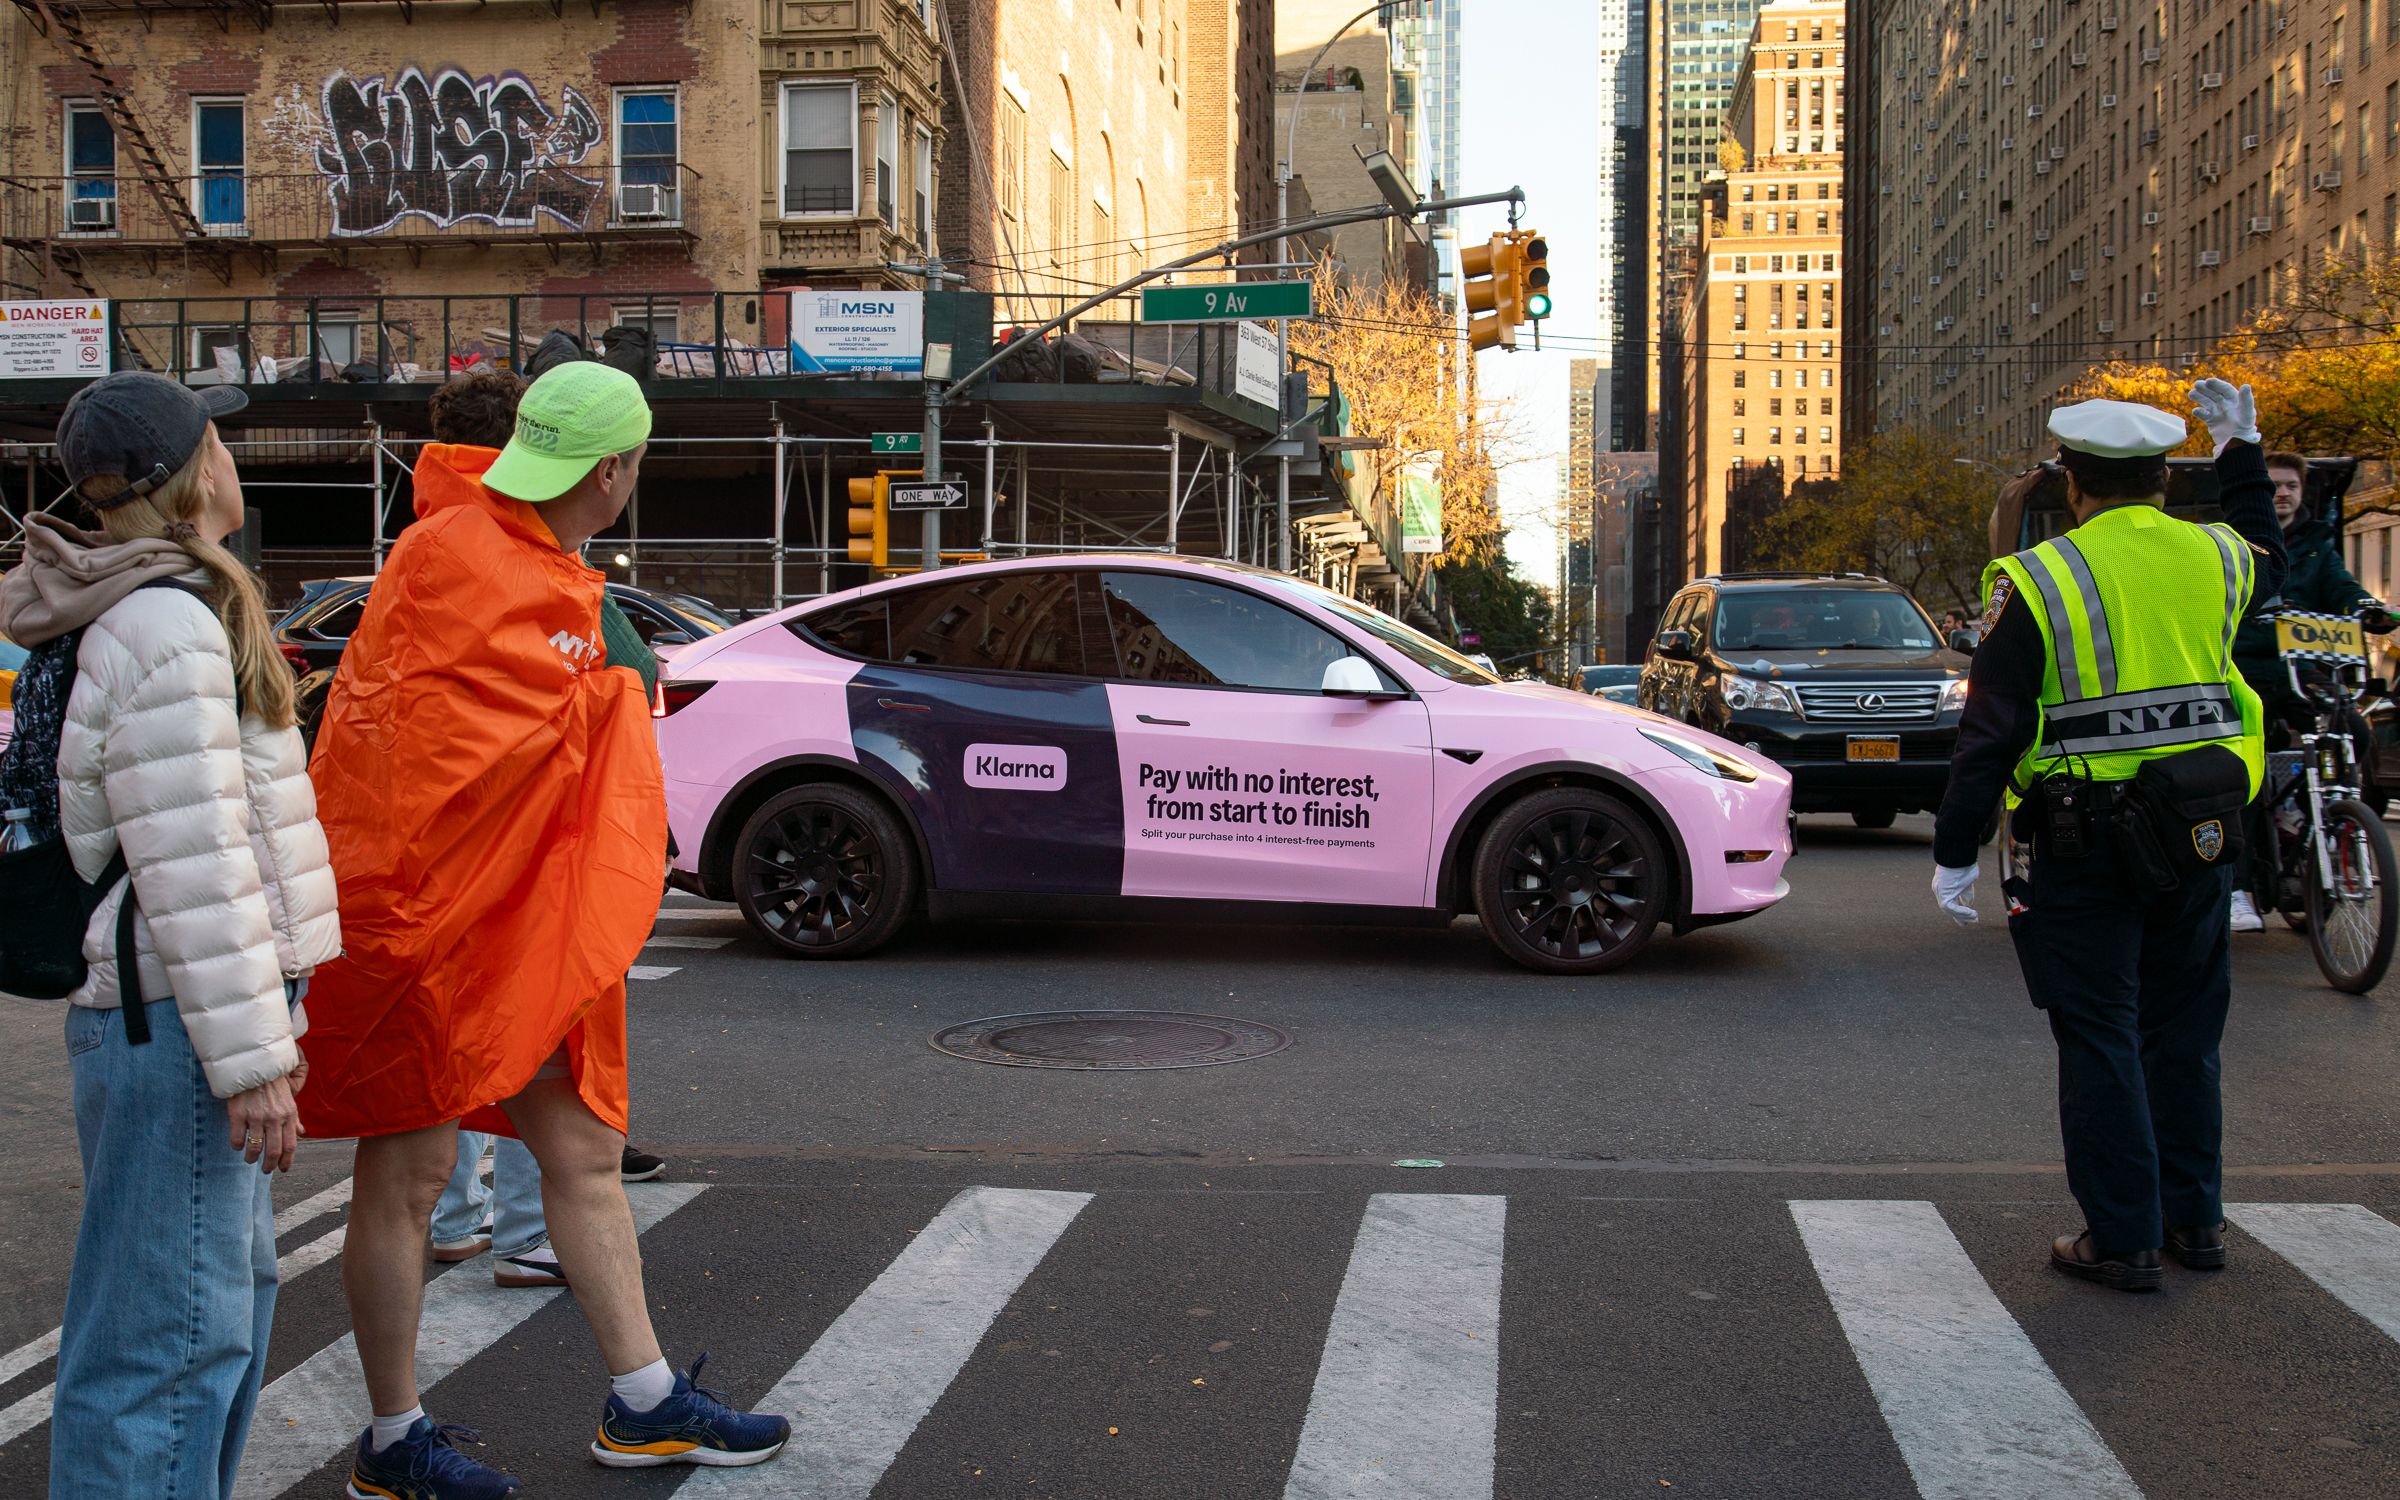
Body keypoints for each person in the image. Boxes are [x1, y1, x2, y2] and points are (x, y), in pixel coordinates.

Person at [300, 362, 787, 1498]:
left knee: (580, 1152)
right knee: (411, 1171)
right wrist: (606, 694)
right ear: (615, 471)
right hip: (434, 918)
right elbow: (436, 747)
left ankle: (646, 1402)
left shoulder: (494, 557)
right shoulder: (471, 559)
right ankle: (391, 1440)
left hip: (519, 918)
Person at [0, 373, 341, 1498]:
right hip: (178, 1023)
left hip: (168, 1013)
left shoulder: (154, 605)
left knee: (203, 1322)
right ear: (194, 475)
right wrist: (251, 1063)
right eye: (218, 442)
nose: (233, 458)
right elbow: (192, 861)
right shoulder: (168, 624)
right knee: (169, 1340)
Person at [1929, 385, 2287, 1293]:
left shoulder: (2039, 577)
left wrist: (1956, 848)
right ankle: (2194, 1222)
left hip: (2084, 844)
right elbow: (2269, 549)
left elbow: (1992, 727)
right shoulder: (2219, 555)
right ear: (2163, 480)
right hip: (2200, 833)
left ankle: (2123, 1238)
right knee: (2186, 1035)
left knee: (2101, 1035)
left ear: (2072, 483)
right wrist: (2241, 449)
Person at [407, 371, 668, 1291]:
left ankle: (456, 1224)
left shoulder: (426, 542)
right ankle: (527, 1235)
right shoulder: (528, 558)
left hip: (435, 877)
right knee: (542, 1063)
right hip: (527, 870)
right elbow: (627, 677)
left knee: (418, 1128)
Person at [2223, 450, 2394, 931]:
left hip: (2302, 669)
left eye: (2292, 486)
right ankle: (2238, 888)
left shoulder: (2319, 544)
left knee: (2355, 731)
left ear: (2302, 492)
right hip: (2247, 671)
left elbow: (2342, 588)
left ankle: (2335, 820)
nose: (2282, 493)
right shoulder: (2234, 542)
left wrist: (2367, 608)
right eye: (2274, 485)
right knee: (2243, 771)